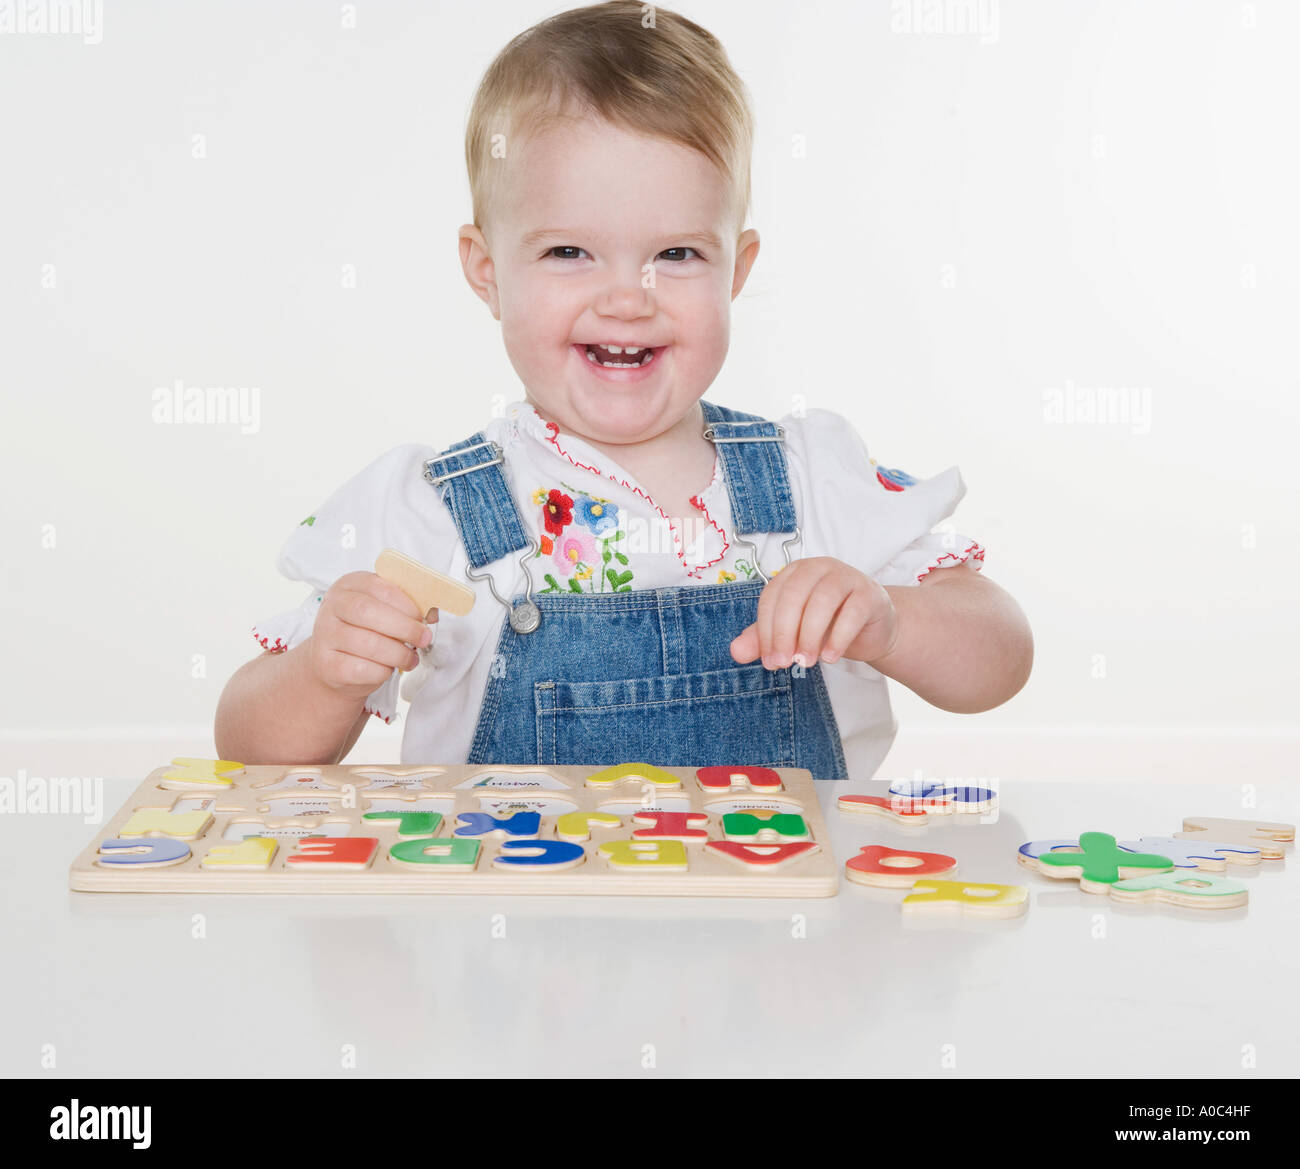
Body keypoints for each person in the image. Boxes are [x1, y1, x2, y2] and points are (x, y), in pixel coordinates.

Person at [215, 1, 1032, 778]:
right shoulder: (431, 509)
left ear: (736, 270)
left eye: (676, 255)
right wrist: (326, 673)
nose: (628, 296)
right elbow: (249, 746)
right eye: (569, 251)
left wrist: (892, 622)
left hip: (784, 914)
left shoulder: (811, 476)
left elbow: (1000, 656)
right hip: (520, 913)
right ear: (486, 271)